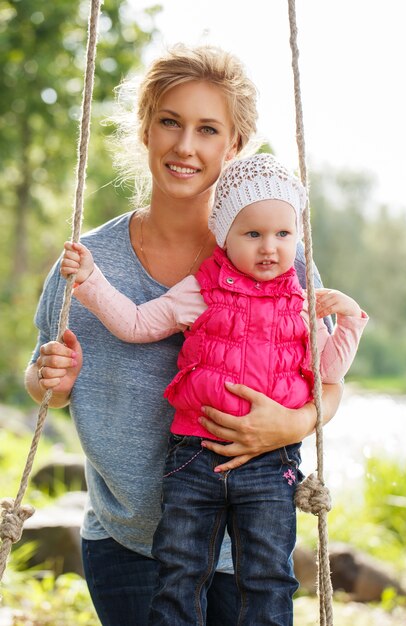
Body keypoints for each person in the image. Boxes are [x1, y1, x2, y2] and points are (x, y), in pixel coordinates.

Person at [25, 44, 345, 626]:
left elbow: (328, 383)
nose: (186, 146)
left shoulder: (279, 261)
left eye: (208, 129)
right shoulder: (88, 261)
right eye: (170, 122)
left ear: (234, 146)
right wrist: (50, 378)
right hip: (129, 543)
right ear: (146, 130)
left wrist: (294, 423)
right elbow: (42, 378)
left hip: (248, 547)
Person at [60, 152, 368, 625]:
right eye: (253, 234)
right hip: (194, 457)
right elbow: (137, 323)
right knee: (181, 566)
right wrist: (92, 281)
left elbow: (328, 372)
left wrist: (348, 319)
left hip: (270, 466)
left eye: (283, 234)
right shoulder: (201, 290)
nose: (270, 248)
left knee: (268, 573)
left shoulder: (301, 299)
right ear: (224, 235)